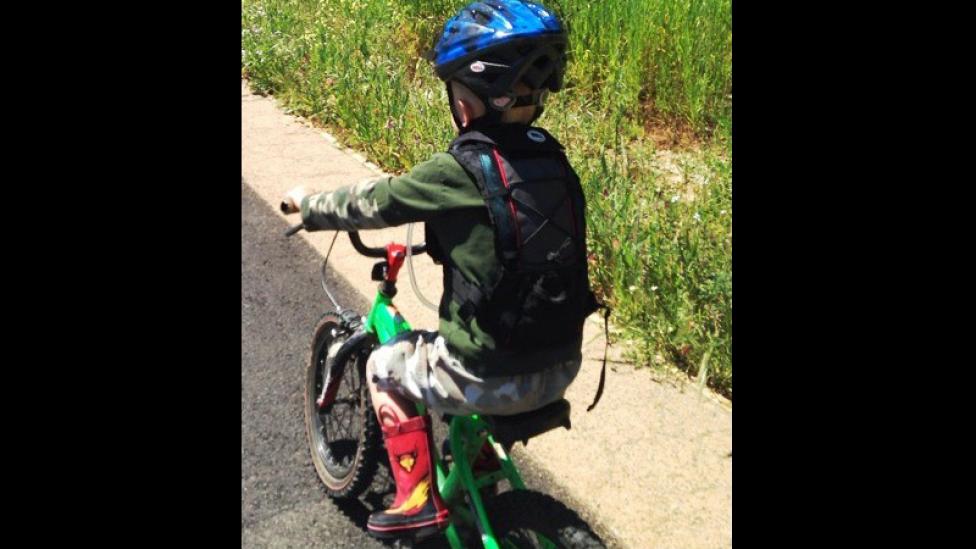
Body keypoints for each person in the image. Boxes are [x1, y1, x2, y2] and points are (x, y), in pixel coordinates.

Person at [281, 0, 598, 539]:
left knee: (385, 363)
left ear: (467, 101)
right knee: (459, 352)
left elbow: (376, 201)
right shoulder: (553, 159)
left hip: (489, 374)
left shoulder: (459, 169)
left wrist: (309, 207)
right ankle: (476, 473)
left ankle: (416, 497)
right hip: (562, 363)